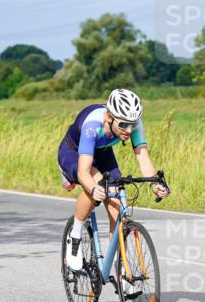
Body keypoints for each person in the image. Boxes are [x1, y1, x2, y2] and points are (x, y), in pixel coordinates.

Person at [58, 89, 169, 271]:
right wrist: (94, 188)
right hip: (74, 151)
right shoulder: (93, 125)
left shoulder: (132, 123)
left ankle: (120, 266)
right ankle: (75, 235)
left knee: (116, 201)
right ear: (109, 116)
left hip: (102, 152)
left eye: (133, 124)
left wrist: (154, 185)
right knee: (98, 183)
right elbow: (84, 172)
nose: (129, 130)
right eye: (124, 125)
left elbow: (143, 159)